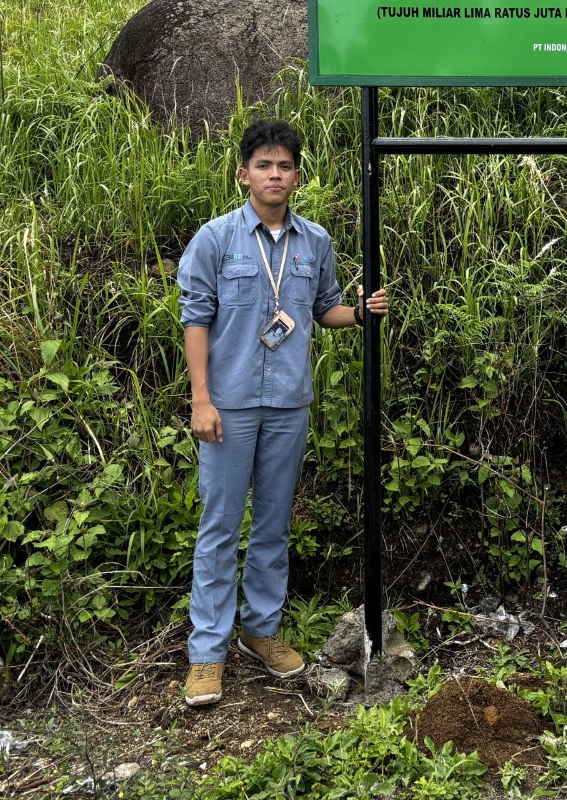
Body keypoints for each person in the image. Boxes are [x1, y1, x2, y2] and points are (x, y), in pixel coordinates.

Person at [177, 118, 388, 707]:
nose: (275, 175)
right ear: (244, 174)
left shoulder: (314, 241)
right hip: (229, 404)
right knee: (220, 527)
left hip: (289, 403)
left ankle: (260, 632)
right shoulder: (217, 238)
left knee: (272, 524)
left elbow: (323, 309)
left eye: (285, 165)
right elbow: (195, 318)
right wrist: (201, 398)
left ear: (297, 176)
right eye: (264, 165)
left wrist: (362, 312)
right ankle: (207, 653)